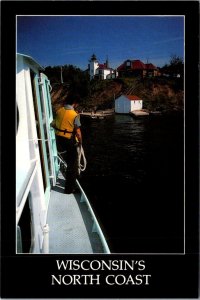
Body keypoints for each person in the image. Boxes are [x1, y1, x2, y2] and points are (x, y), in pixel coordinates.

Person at [51, 93, 82, 194]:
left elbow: (53, 124)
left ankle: (70, 180)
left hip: (59, 140)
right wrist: (80, 141)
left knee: (69, 161)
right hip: (69, 141)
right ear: (74, 103)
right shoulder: (75, 115)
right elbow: (78, 132)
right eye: (77, 103)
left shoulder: (59, 110)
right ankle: (69, 189)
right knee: (72, 165)